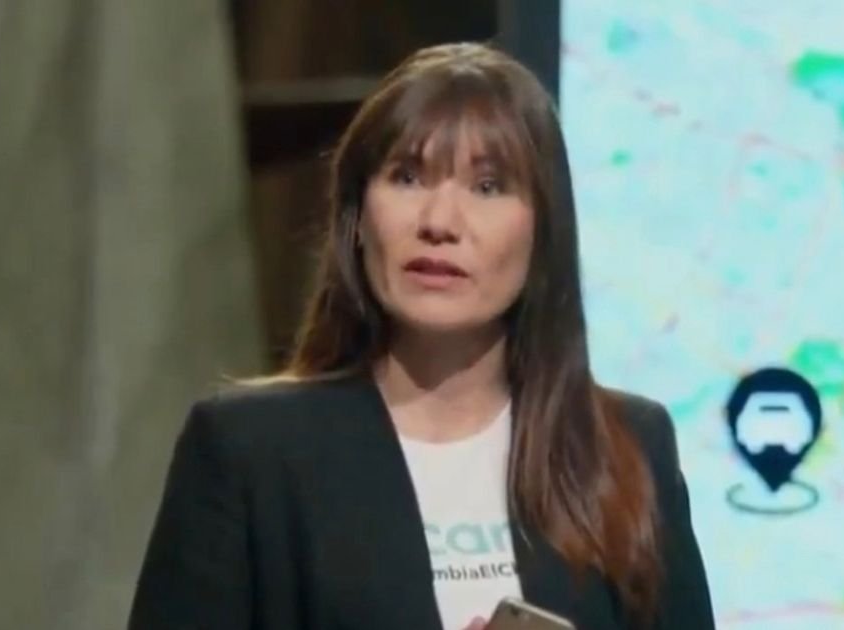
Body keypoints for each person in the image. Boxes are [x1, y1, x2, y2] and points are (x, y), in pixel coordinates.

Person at [127, 42, 715, 630]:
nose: (438, 222)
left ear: (543, 232)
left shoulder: (628, 446)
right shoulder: (248, 451)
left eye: (488, 186)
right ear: (358, 219)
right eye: (407, 177)